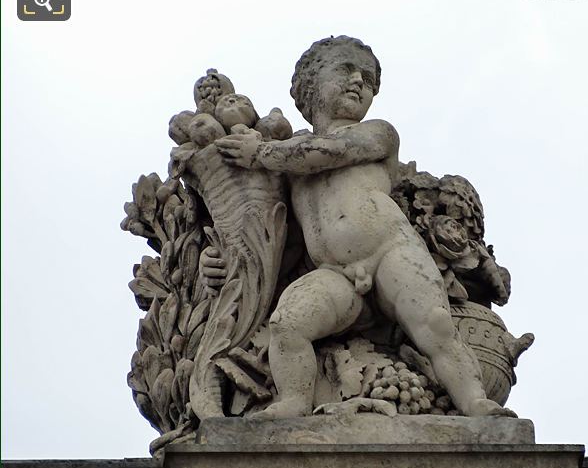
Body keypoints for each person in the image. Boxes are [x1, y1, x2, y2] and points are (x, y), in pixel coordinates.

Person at [204, 36, 516, 419]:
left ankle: (475, 403)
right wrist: (223, 264)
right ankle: (294, 402)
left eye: (368, 80)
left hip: (391, 252)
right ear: (309, 86)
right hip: (336, 275)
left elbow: (331, 153)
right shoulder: (287, 162)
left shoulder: (377, 133)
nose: (359, 82)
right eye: (346, 70)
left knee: (435, 325)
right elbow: (275, 237)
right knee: (288, 323)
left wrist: (262, 153)